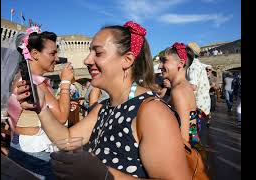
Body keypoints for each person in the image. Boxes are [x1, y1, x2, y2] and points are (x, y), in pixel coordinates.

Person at [16, 21, 190, 179]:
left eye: (98, 52)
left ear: (127, 60)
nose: (86, 60)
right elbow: (67, 139)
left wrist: (103, 174)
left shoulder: (153, 112)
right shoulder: (104, 107)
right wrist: (40, 108)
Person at [6, 26, 73, 179]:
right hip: (36, 149)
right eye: (52, 53)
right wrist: (65, 81)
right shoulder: (36, 82)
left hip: (19, 143)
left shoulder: (19, 77)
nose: (57, 58)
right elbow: (62, 117)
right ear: (35, 54)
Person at [158, 42, 200, 146]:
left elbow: (183, 139)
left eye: (164, 61)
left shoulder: (178, 91)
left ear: (180, 63)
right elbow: (192, 126)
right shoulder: (186, 87)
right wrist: (194, 143)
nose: (159, 66)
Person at [186, 42, 211, 125]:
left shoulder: (193, 66)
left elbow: (193, 86)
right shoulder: (199, 64)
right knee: (195, 131)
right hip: (203, 105)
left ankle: (194, 137)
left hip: (195, 106)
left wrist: (176, 86)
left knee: (192, 130)